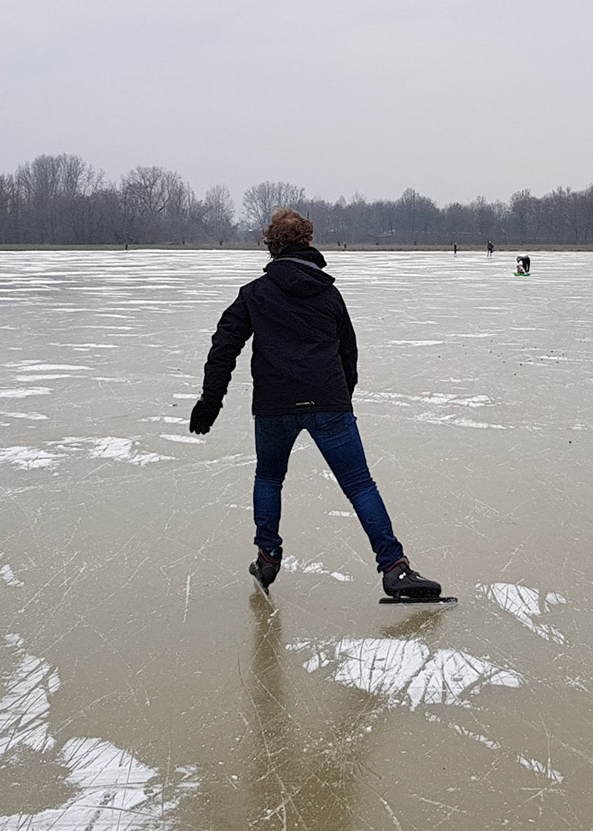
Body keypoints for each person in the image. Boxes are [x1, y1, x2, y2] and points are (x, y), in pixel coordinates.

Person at [189, 207, 442, 601]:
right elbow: (349, 353)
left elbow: (224, 348)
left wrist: (210, 401)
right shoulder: (329, 294)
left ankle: (267, 556)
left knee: (269, 478)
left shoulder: (255, 294)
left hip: (275, 406)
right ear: (308, 242)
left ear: (271, 245)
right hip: (329, 403)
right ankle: (394, 568)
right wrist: (342, 398)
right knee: (360, 485)